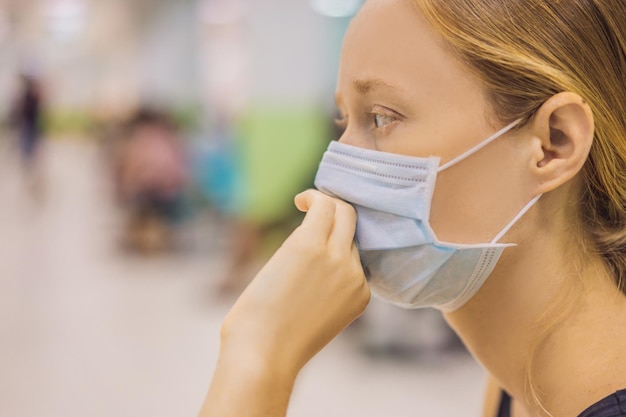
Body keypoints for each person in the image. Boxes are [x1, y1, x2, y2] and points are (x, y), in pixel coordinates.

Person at [200, 0, 626, 416]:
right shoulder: (520, 370)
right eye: (343, 119)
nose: (332, 176)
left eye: (382, 118)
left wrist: (258, 356)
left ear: (554, 143)